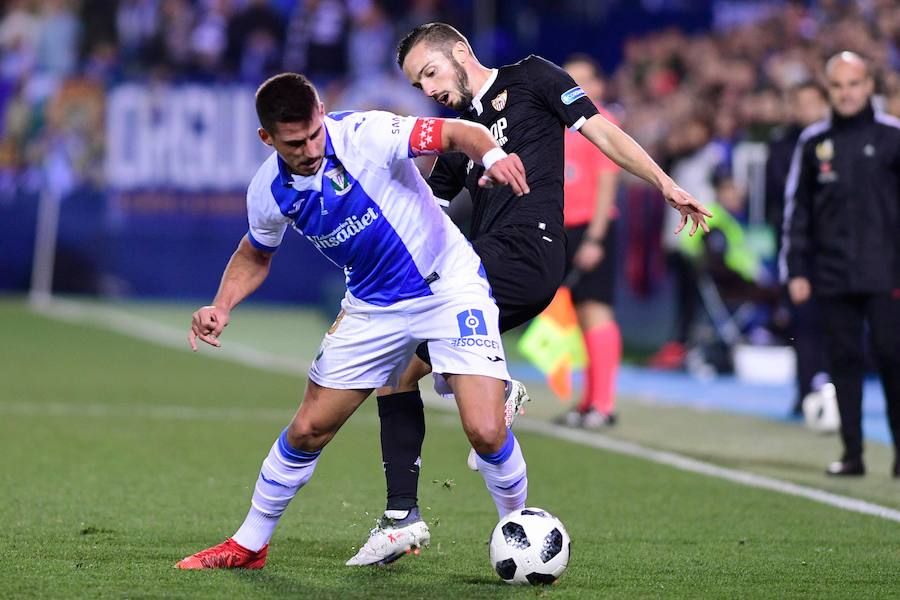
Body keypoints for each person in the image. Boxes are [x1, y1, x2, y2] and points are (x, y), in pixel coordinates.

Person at [348, 22, 712, 566]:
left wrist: (665, 184)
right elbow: (429, 211)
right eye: (419, 85)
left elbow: (603, 132)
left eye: (430, 73)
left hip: (529, 254)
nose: (429, 91)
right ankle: (405, 514)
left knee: (403, 352)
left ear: (461, 53)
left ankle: (474, 408)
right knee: (402, 374)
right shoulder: (456, 134)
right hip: (481, 265)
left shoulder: (535, 78)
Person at [175, 71, 534, 569]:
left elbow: (458, 133)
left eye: (315, 132)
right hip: (370, 307)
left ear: (322, 112)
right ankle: (249, 544)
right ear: (267, 139)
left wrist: (492, 157)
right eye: (294, 142)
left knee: (486, 431)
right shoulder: (269, 191)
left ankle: (519, 531)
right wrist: (221, 305)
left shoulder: (366, 133)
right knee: (307, 429)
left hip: (447, 286)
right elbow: (255, 254)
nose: (310, 147)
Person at [781, 51, 900, 477]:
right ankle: (854, 455)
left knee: (892, 357)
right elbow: (798, 212)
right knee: (844, 361)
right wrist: (795, 268)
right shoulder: (814, 143)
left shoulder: (893, 137)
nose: (846, 93)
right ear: (828, 90)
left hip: (888, 271)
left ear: (869, 86)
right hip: (831, 272)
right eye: (838, 85)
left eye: (854, 84)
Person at [554, 54, 623, 429]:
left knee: (596, 312)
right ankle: (587, 401)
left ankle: (604, 404)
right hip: (565, 229)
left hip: (591, 229)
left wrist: (595, 238)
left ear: (597, 87)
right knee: (580, 317)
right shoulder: (562, 125)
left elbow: (608, 183)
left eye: (582, 81)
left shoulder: (603, 124)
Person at [766, 81, 830, 416]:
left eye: (810, 102)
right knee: (803, 321)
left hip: (838, 247)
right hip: (799, 247)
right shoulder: (781, 144)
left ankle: (836, 393)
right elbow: (779, 196)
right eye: (799, 102)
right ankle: (805, 392)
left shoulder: (838, 139)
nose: (804, 109)